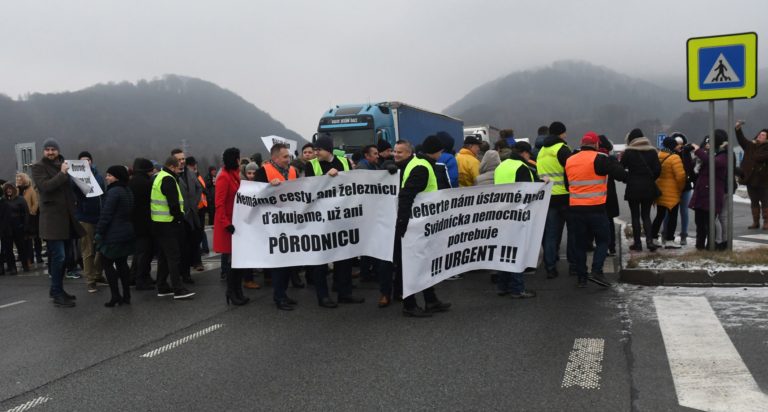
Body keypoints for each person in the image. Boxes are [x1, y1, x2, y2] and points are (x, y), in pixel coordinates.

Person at [304, 134, 365, 308]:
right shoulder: (312, 165)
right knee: (321, 261)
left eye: (319, 149)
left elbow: (353, 183)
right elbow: (310, 189)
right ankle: (322, 296)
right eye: (314, 149)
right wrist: (326, 177)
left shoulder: (344, 162)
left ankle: (344, 292)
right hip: (321, 220)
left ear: (328, 149)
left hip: (342, 217)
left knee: (344, 258)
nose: (315, 153)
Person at [394, 137, 452, 317]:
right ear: (436, 152)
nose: (395, 155)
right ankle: (409, 304)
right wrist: (402, 224)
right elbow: (406, 196)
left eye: (399, 152)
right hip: (412, 225)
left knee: (425, 262)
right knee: (410, 264)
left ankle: (431, 300)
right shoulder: (421, 167)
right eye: (395, 152)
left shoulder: (418, 164)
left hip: (420, 223)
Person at [565, 132, 627, 288]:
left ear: (581, 143)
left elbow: (567, 185)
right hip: (596, 208)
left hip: (575, 209)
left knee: (579, 245)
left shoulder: (570, 160)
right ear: (597, 145)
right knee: (603, 240)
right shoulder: (600, 158)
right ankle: (597, 270)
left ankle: (581, 277)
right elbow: (620, 174)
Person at [29, 138, 86, 307]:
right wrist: (62, 174)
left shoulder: (65, 165)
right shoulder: (39, 167)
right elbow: (45, 187)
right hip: (52, 220)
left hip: (67, 218)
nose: (51, 152)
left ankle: (57, 290)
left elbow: (70, 190)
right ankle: (57, 292)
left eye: (53, 149)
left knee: (67, 257)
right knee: (58, 257)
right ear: (43, 152)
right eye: (47, 149)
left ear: (58, 151)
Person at [254, 143, 300, 310]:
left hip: (291, 221)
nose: (288, 159)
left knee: (288, 262)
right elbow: (255, 195)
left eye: (288, 156)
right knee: (279, 263)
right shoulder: (263, 171)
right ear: (275, 158)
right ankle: (279, 297)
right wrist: (268, 188)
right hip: (273, 224)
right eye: (285, 157)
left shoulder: (293, 171)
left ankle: (284, 293)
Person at [494, 141, 539, 298]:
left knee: (504, 250)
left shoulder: (502, 165)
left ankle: (502, 286)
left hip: (500, 213)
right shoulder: (522, 167)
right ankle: (517, 288)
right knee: (517, 251)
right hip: (517, 214)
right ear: (525, 153)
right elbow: (529, 192)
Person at [151, 156, 195, 300]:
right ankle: (178, 288)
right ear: (172, 167)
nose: (179, 170)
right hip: (168, 223)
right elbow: (173, 204)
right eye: (178, 167)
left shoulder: (159, 176)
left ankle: (162, 286)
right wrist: (178, 219)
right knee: (174, 256)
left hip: (158, 222)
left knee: (164, 256)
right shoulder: (169, 179)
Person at [212, 147, 249, 306]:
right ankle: (231, 291)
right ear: (235, 160)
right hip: (228, 226)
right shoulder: (224, 178)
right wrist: (226, 224)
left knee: (238, 261)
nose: (240, 161)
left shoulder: (235, 176)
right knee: (232, 262)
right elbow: (219, 204)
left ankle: (238, 291)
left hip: (237, 223)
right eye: (239, 158)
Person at [537, 121, 574, 278]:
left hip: (549, 197)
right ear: (561, 133)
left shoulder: (541, 152)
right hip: (565, 196)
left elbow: (540, 175)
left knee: (551, 234)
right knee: (573, 232)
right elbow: (573, 170)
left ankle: (550, 267)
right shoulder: (562, 149)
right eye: (564, 132)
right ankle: (574, 266)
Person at [96, 166, 135, 307]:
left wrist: (99, 232)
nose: (107, 178)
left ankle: (115, 295)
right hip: (127, 232)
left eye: (109, 175)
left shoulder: (113, 192)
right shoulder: (127, 190)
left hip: (113, 234)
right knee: (122, 264)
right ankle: (126, 295)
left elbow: (106, 215)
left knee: (106, 263)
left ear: (117, 177)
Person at [620, 128, 661, 252]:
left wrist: (628, 179)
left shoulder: (629, 152)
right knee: (646, 215)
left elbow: (621, 168)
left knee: (635, 216)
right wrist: (650, 178)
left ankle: (637, 244)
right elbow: (658, 170)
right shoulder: (653, 151)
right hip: (648, 187)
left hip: (633, 187)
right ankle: (649, 242)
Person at [689, 131, 729, 250]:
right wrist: (688, 152)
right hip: (702, 193)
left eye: (711, 142)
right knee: (699, 222)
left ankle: (712, 245)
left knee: (710, 222)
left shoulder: (723, 156)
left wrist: (698, 150)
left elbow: (712, 163)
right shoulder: (712, 155)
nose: (708, 144)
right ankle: (700, 245)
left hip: (712, 194)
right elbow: (693, 169)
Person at [73, 151, 106, 293]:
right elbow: (74, 194)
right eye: (82, 161)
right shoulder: (75, 178)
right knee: (88, 250)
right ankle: (90, 280)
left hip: (99, 217)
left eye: (88, 160)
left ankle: (98, 274)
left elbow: (103, 195)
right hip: (85, 218)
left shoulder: (98, 176)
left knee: (101, 249)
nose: (86, 163)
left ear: (92, 161)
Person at [171, 148, 203, 282]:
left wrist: (194, 204)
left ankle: (186, 274)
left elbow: (199, 187)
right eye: (179, 159)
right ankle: (178, 275)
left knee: (191, 245)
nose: (182, 161)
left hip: (192, 215)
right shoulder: (171, 175)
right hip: (178, 217)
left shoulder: (190, 173)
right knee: (180, 249)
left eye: (183, 159)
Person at [651, 136, 686, 249]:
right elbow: (680, 177)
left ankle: (653, 238)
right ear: (672, 146)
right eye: (676, 145)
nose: (677, 147)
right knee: (672, 217)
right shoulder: (675, 158)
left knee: (659, 216)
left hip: (659, 191)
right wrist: (680, 189)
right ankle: (670, 240)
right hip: (672, 192)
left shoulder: (658, 155)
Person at [128, 158, 156, 290]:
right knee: (145, 253)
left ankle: (133, 277)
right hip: (146, 223)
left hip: (134, 222)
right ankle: (142, 279)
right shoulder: (147, 183)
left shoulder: (131, 182)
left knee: (139, 252)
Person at [735, 122, 768, 230]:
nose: (760, 135)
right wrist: (738, 129)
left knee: (765, 202)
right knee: (754, 201)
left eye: (763, 135)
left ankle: (766, 222)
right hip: (750, 179)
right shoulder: (750, 145)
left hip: (763, 180)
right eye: (760, 134)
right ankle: (755, 222)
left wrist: (751, 152)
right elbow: (741, 139)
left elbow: (759, 157)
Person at [240, 162, 262, 290]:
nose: (252, 176)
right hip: (247, 224)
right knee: (248, 251)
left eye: (254, 173)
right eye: (249, 173)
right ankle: (248, 279)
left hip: (259, 222)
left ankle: (268, 275)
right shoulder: (242, 187)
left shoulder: (262, 185)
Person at [670, 132, 695, 245]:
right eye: (677, 144)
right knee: (669, 212)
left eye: (681, 144)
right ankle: (667, 233)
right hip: (672, 187)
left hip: (686, 186)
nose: (680, 146)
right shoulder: (670, 154)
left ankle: (684, 234)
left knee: (684, 211)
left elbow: (690, 168)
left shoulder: (686, 153)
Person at [597, 136, 620, 256]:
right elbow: (619, 174)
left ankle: (601, 246)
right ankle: (611, 247)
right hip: (608, 193)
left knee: (597, 222)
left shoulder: (592, 157)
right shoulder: (610, 159)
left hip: (594, 195)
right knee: (609, 221)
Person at [2, 182, 29, 273]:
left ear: (14, 189)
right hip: (6, 229)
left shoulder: (20, 199)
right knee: (8, 249)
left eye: (10, 188)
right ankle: (12, 267)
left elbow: (26, 214)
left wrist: (25, 226)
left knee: (21, 247)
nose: (8, 190)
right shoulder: (3, 201)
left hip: (18, 227)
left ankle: (25, 265)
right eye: (6, 189)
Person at [16, 172, 42, 266]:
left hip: (32, 217)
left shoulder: (30, 189)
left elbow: (35, 202)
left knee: (36, 237)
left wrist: (32, 212)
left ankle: (38, 256)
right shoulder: (16, 190)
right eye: (17, 178)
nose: (18, 180)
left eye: (20, 178)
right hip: (21, 217)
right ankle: (28, 258)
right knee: (26, 239)